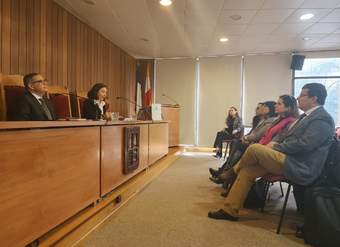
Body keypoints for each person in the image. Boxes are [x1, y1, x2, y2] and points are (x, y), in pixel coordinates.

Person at [208, 83, 334, 221]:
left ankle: (230, 172)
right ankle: (229, 210)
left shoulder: (322, 119)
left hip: (300, 166)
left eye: (302, 95)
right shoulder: (306, 117)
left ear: (314, 98)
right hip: (288, 158)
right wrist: (276, 145)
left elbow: (305, 145)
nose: (298, 98)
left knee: (254, 148)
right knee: (247, 171)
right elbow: (291, 139)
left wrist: (276, 146)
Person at [209, 101, 277, 178]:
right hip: (249, 140)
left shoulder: (268, 121)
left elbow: (256, 135)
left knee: (236, 145)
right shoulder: (259, 119)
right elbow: (252, 132)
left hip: (253, 143)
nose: (259, 109)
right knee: (223, 136)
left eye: (262, 107)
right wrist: (245, 137)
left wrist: (245, 138)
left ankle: (225, 172)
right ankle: (225, 171)